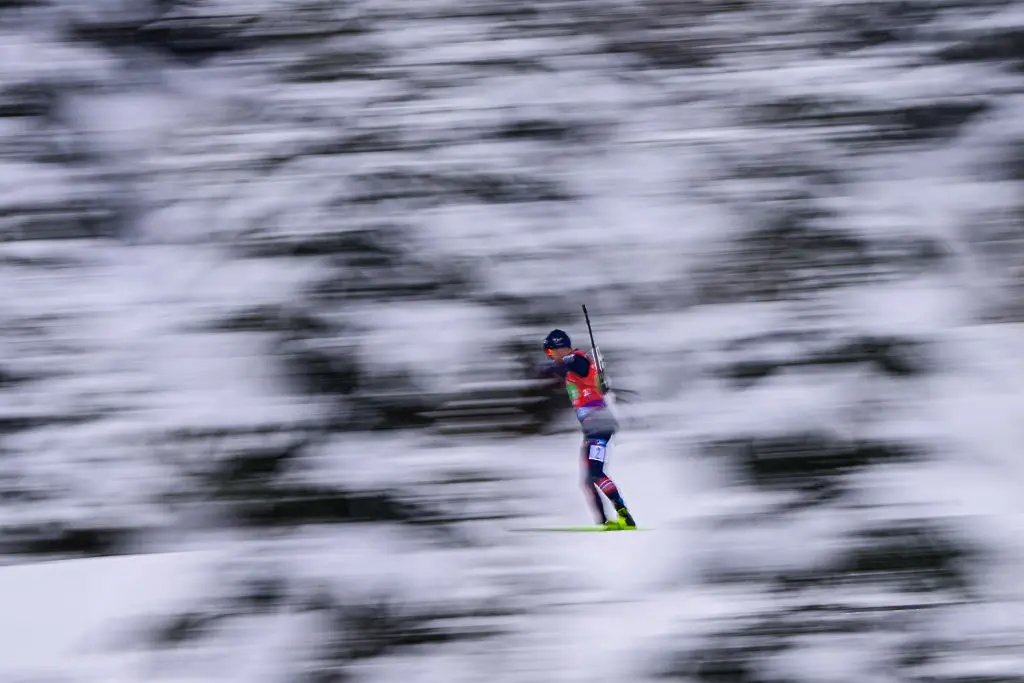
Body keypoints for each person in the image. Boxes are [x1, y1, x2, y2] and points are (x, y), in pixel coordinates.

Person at [539, 328, 637, 530]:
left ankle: (624, 516)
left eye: (550, 352)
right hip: (592, 428)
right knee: (587, 480)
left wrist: (551, 368)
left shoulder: (575, 359)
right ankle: (603, 523)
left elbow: (574, 365)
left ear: (560, 348)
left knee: (596, 473)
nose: (550, 356)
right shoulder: (571, 366)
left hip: (599, 424)